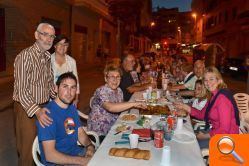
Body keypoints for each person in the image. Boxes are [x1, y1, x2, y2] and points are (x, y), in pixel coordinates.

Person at [13, 23, 56, 166]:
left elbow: (49, 83)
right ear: (36, 35)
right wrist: (37, 111)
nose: (49, 39)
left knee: (42, 148)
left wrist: (56, 95)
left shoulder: (48, 57)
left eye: (52, 36)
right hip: (27, 108)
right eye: (45, 34)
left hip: (44, 106)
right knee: (27, 151)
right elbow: (21, 90)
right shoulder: (25, 56)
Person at [36, 72, 94, 165]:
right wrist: (82, 161)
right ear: (56, 88)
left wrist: (89, 146)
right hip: (57, 162)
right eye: (65, 86)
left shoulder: (71, 108)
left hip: (75, 154)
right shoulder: (47, 115)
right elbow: (50, 155)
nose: (69, 92)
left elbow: (80, 133)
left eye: (73, 87)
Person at [174, 66, 240, 149]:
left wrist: (205, 136)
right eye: (205, 80)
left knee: (191, 147)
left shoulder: (222, 99)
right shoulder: (214, 95)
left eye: (211, 79)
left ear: (219, 80)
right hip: (215, 132)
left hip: (227, 140)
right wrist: (184, 106)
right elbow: (202, 114)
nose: (208, 83)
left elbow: (224, 130)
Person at [87, 65, 146, 142]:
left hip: (115, 126)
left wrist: (137, 102)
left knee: (139, 131)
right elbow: (110, 107)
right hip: (100, 131)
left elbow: (120, 104)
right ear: (106, 78)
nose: (115, 80)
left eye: (118, 77)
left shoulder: (119, 90)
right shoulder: (101, 91)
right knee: (129, 141)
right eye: (112, 77)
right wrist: (133, 103)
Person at [51, 34, 80, 106]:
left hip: (67, 97)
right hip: (51, 99)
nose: (62, 47)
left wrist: (76, 99)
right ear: (55, 46)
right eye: (60, 44)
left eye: (65, 45)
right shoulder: (48, 60)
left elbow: (76, 81)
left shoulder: (71, 61)